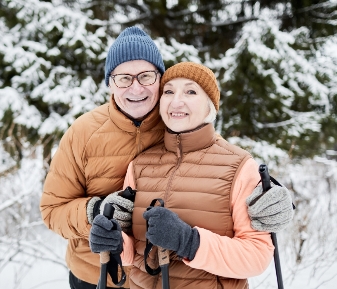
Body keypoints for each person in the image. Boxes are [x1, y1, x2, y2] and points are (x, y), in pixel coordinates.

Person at [41, 26, 293, 289]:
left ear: (159, 80)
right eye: (123, 78)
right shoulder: (84, 133)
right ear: (110, 83)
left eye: (146, 76)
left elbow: (217, 158)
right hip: (95, 274)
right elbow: (52, 210)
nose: (135, 87)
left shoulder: (177, 122)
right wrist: (95, 214)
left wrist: (270, 195)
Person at [89, 62, 288, 288]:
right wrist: (115, 244)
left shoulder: (239, 166)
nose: (176, 101)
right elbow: (136, 254)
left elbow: (257, 257)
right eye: (169, 91)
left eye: (190, 92)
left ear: (209, 106)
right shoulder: (140, 165)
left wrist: (189, 242)